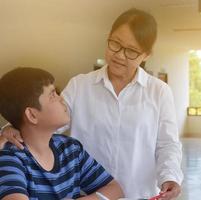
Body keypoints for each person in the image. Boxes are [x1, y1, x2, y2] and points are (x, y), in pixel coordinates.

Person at [1, 8, 183, 199]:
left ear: (146, 54)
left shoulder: (159, 92)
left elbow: (168, 144)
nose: (120, 55)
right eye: (115, 44)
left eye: (131, 51)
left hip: (139, 193)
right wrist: (11, 127)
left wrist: (170, 177)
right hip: (88, 193)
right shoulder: (80, 85)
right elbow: (45, 121)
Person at [0, 68, 124, 200]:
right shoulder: (10, 157)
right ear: (32, 114)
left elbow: (115, 189)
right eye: (53, 95)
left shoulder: (70, 148)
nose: (62, 99)